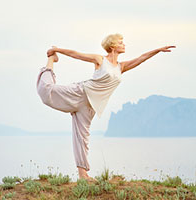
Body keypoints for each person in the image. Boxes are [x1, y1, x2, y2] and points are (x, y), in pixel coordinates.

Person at [36, 33, 176, 181]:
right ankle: (51, 61)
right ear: (113, 45)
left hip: (90, 106)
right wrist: (57, 50)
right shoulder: (100, 60)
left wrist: (158, 50)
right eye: (121, 42)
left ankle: (83, 175)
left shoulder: (121, 67)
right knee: (46, 91)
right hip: (81, 93)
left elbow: (141, 58)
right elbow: (77, 55)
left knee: (82, 138)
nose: (124, 45)